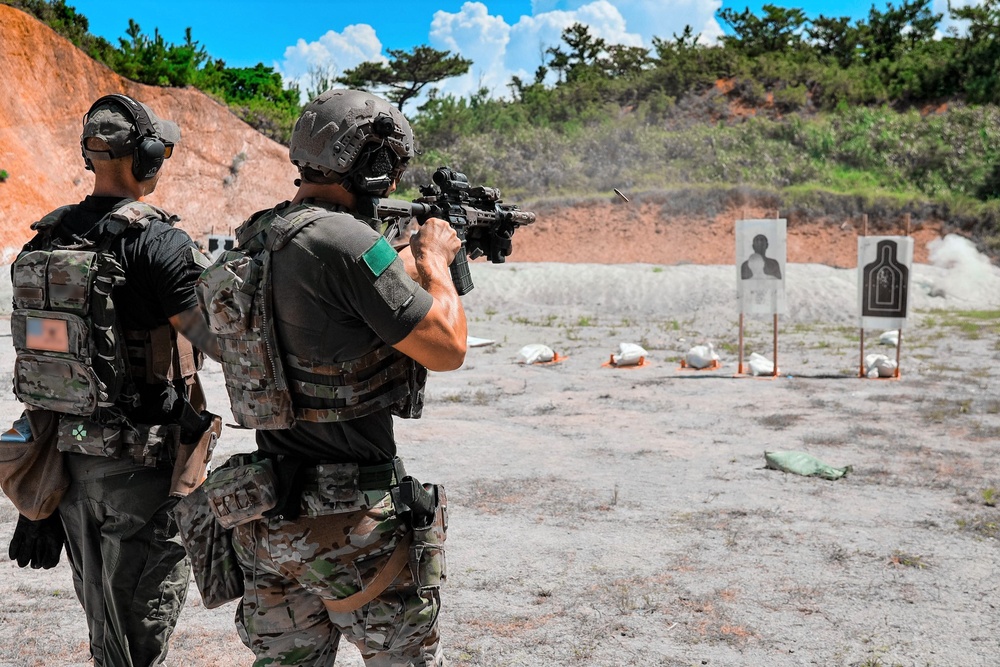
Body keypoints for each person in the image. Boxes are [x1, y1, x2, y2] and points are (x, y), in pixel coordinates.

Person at [201, 89, 466, 666]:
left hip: (269, 514)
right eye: (390, 164)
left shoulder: (259, 236)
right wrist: (437, 261)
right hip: (354, 523)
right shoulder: (348, 243)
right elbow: (446, 348)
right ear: (371, 164)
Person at [6, 93, 220, 666]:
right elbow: (218, 342)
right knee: (136, 646)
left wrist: (38, 506)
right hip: (143, 477)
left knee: (106, 631)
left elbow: (45, 373)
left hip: (70, 471)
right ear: (146, 156)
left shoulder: (44, 241)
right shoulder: (161, 245)